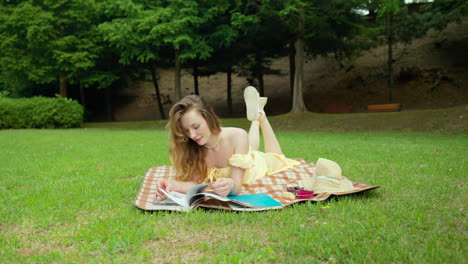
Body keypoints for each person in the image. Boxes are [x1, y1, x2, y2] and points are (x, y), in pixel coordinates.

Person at [156, 86, 300, 198]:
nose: (192, 135)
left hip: (254, 167)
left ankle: (261, 117)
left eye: (196, 127)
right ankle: (256, 116)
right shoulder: (192, 147)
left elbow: (237, 185)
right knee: (251, 148)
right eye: (186, 131)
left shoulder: (237, 135)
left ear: (208, 117)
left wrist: (230, 185)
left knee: (276, 156)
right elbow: (196, 183)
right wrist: (173, 185)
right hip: (243, 152)